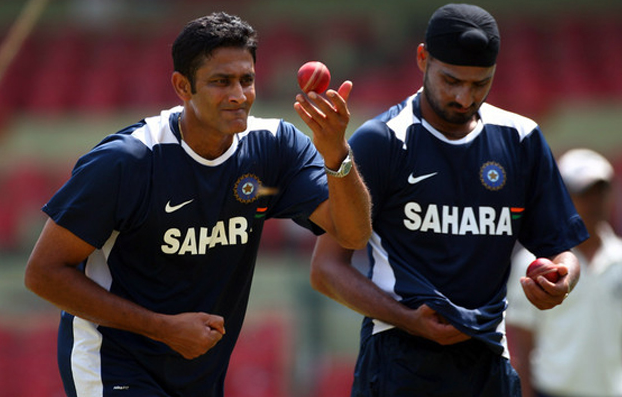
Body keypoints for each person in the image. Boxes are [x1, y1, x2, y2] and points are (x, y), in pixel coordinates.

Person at [23, 12, 371, 397]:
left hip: (198, 372)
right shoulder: (128, 161)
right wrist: (162, 327)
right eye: (221, 82)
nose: (239, 95)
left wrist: (337, 153)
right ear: (182, 86)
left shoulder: (275, 147)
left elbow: (353, 233)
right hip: (112, 361)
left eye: (247, 80)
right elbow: (43, 273)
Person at [309, 4, 588, 397]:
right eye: (451, 80)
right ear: (423, 58)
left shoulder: (521, 139)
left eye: (480, 84)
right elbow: (325, 270)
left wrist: (561, 280)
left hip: (489, 361)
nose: (463, 96)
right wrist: (409, 319)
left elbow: (563, 250)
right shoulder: (382, 140)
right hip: (397, 360)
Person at [506, 148, 622, 397]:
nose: (594, 202)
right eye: (583, 194)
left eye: (600, 191)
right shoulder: (532, 262)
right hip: (551, 391)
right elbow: (523, 347)